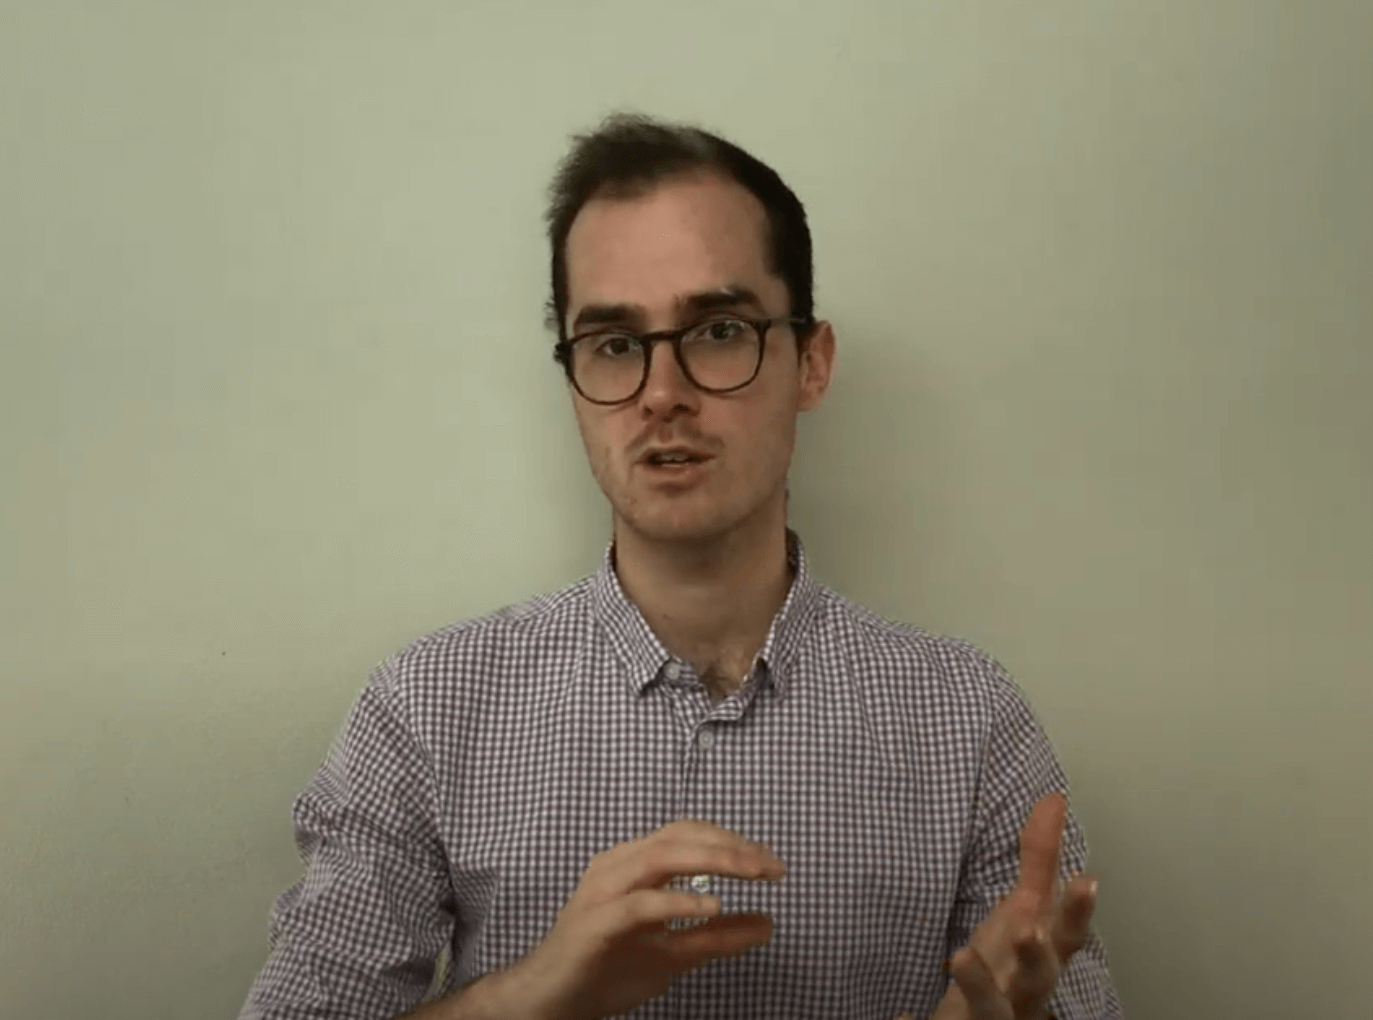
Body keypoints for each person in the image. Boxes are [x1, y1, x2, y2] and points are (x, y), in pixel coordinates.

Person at [239, 113, 1121, 1020]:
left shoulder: (970, 722)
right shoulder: (427, 709)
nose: (663, 394)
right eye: (615, 344)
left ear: (811, 364)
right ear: (573, 378)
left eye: (719, 330)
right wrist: (529, 996)